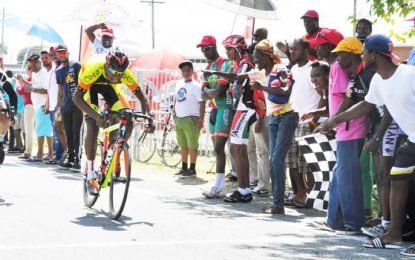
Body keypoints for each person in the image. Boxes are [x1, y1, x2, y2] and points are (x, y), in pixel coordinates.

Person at [315, 34, 415, 249]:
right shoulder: (378, 80)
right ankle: (394, 234)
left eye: (364, 52)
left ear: (374, 54)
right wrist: (334, 121)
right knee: (397, 178)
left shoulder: (410, 75)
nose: (362, 55)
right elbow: (365, 105)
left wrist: (377, 136)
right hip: (412, 140)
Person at [73, 50, 152, 194]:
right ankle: (90, 172)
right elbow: (76, 98)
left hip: (109, 88)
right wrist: (96, 116)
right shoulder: (95, 68)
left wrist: (149, 117)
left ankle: (113, 152)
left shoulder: (123, 73)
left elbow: (142, 99)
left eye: (120, 73)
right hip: (89, 84)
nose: (116, 76)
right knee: (92, 124)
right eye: (113, 71)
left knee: (127, 117)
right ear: (105, 66)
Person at [206, 35, 266, 203]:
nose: (227, 52)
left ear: (239, 49)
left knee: (236, 149)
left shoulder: (246, 63)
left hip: (246, 107)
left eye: (229, 49)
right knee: (239, 149)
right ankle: (244, 189)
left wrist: (217, 73)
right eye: (226, 49)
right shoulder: (241, 64)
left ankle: (244, 190)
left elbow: (238, 82)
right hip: (243, 108)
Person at [249, 40, 297, 214]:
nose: (255, 61)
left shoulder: (280, 69)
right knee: (273, 161)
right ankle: (277, 203)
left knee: (276, 160)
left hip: (287, 116)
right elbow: (241, 77)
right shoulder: (261, 72)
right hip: (274, 118)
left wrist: (263, 87)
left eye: (257, 57)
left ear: (265, 56)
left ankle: (278, 204)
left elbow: (286, 90)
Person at [285, 38, 321, 207]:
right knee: (291, 161)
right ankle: (301, 193)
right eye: (291, 49)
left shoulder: (313, 68)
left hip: (308, 121)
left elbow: (322, 94)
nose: (292, 52)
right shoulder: (293, 69)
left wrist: (314, 118)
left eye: (296, 49)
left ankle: (313, 195)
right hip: (292, 118)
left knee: (307, 163)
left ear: (306, 50)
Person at [197, 35, 233, 199]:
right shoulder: (207, 67)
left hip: (225, 107)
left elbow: (219, 92)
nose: (204, 51)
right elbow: (203, 94)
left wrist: (209, 93)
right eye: (202, 49)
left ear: (214, 46)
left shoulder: (224, 63)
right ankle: (219, 185)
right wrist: (210, 93)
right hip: (214, 109)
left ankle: (220, 186)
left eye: (207, 48)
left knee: (219, 148)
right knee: (216, 150)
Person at [173, 60, 205, 178]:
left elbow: (202, 103)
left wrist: (201, 119)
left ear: (193, 71)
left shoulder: (196, 86)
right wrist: (174, 111)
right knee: (183, 145)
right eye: (183, 70)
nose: (186, 72)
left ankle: (192, 168)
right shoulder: (178, 83)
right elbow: (177, 98)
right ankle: (184, 167)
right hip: (179, 118)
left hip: (191, 118)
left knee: (192, 145)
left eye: (188, 70)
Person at [55, 44, 83, 172]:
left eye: (63, 52)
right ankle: (70, 158)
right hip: (66, 106)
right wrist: (58, 107)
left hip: (78, 105)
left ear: (68, 53)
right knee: (68, 133)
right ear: (56, 55)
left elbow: (84, 83)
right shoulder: (59, 71)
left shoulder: (76, 65)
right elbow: (60, 91)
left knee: (77, 133)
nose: (61, 54)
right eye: (59, 52)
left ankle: (78, 159)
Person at [25, 54, 54, 162]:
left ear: (38, 62)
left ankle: (40, 155)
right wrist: (25, 83)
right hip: (39, 106)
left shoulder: (43, 74)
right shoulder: (35, 74)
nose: (31, 65)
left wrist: (32, 90)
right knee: (44, 131)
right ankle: (47, 154)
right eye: (29, 63)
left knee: (42, 131)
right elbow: (34, 86)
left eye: (33, 62)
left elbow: (47, 90)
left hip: (43, 105)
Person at [16, 68, 34, 160]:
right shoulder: (33, 79)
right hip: (34, 105)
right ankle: (30, 151)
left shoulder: (30, 79)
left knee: (29, 130)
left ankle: (28, 151)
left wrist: (18, 83)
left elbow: (20, 91)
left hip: (29, 106)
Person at [0, 69, 18, 164]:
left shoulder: (1, 75)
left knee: (4, 114)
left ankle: (0, 140)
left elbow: (12, 94)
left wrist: (12, 113)